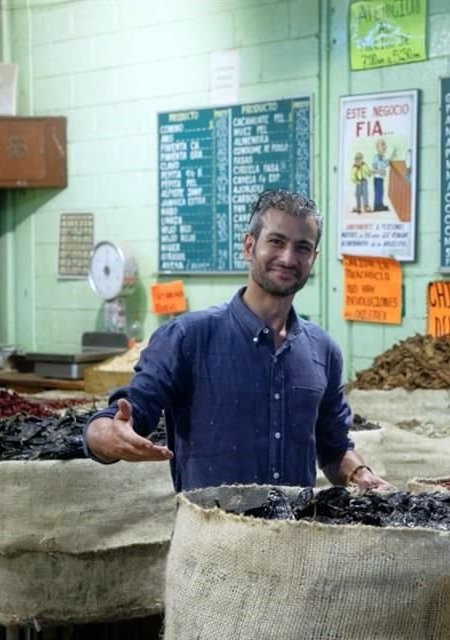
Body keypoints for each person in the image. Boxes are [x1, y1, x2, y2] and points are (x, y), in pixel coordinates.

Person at [84, 189, 392, 494]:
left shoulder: (323, 350)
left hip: (296, 538)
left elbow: (335, 448)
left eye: (302, 247)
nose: (288, 257)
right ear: (249, 246)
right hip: (210, 537)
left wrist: (360, 474)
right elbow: (132, 409)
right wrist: (107, 434)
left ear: (314, 258)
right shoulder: (187, 337)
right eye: (276, 241)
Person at [371, 138, 390, 212]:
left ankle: (380, 204)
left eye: (384, 145)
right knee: (378, 192)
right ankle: (376, 206)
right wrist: (380, 172)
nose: (384, 147)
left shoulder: (383, 157)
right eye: (382, 145)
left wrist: (389, 161)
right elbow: (374, 168)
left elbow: (384, 164)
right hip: (377, 178)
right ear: (378, 148)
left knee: (381, 191)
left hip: (381, 178)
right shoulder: (376, 157)